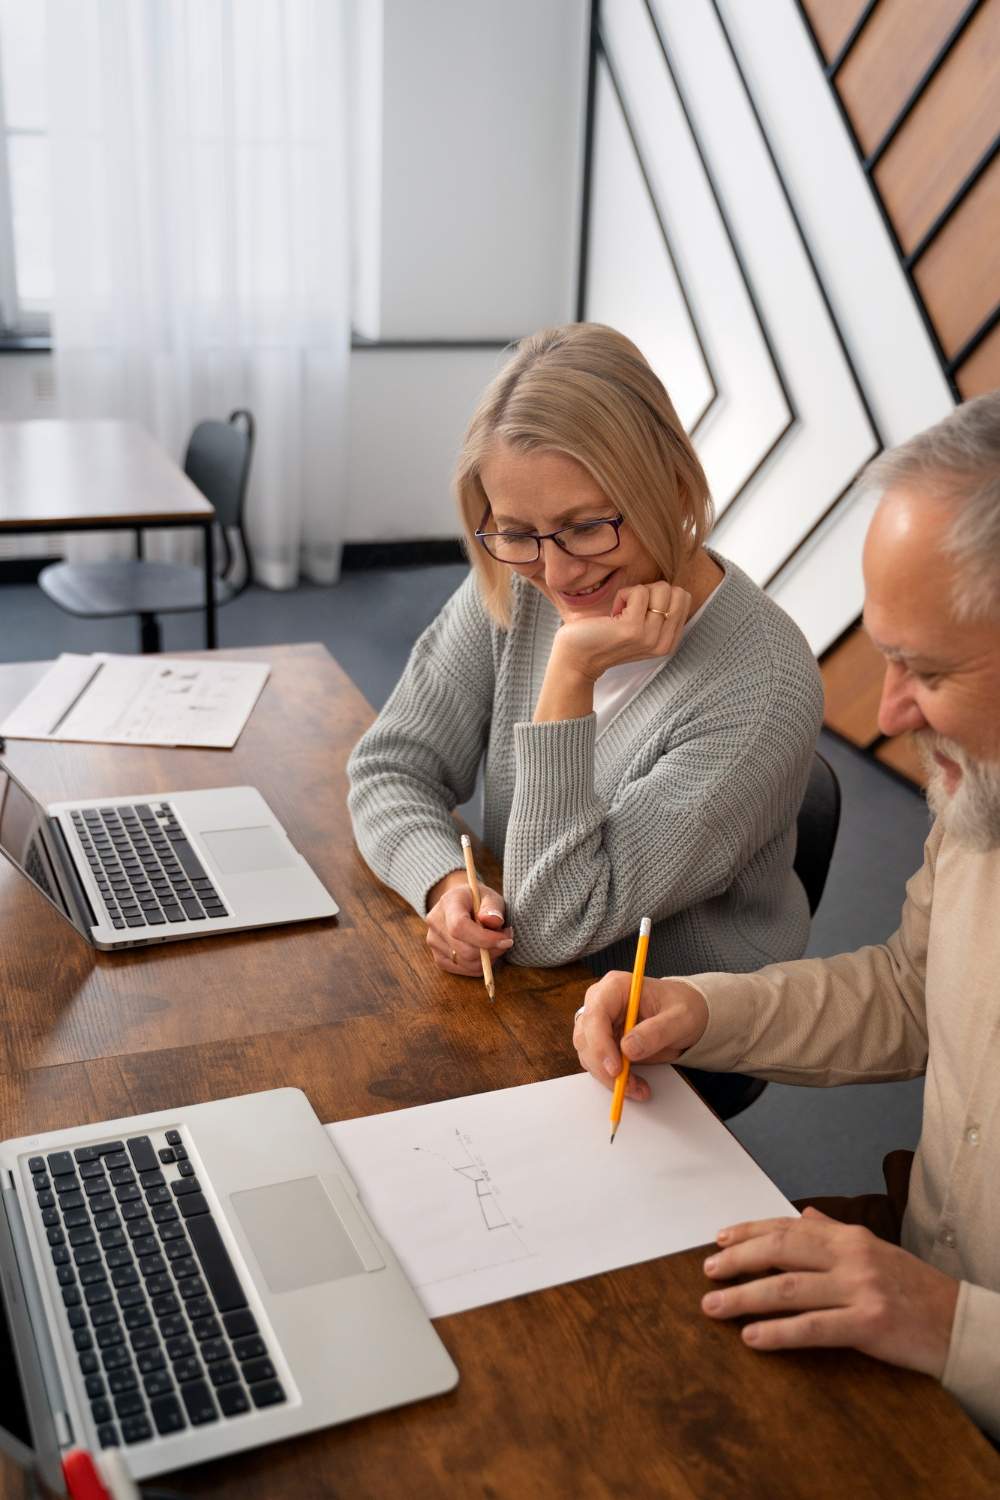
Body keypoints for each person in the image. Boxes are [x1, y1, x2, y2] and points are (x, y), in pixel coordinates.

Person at [573, 389, 1000, 1438]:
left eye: (925, 670)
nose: (887, 711)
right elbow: (911, 994)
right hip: (921, 1296)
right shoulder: (974, 797)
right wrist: (698, 1010)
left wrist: (951, 1325)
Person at [348, 323, 823, 1117]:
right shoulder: (519, 577)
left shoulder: (760, 685)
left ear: (671, 487)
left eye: (587, 525)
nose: (560, 573)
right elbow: (389, 765)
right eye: (519, 533)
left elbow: (552, 923)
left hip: (668, 1037)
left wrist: (569, 671)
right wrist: (447, 884)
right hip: (531, 992)